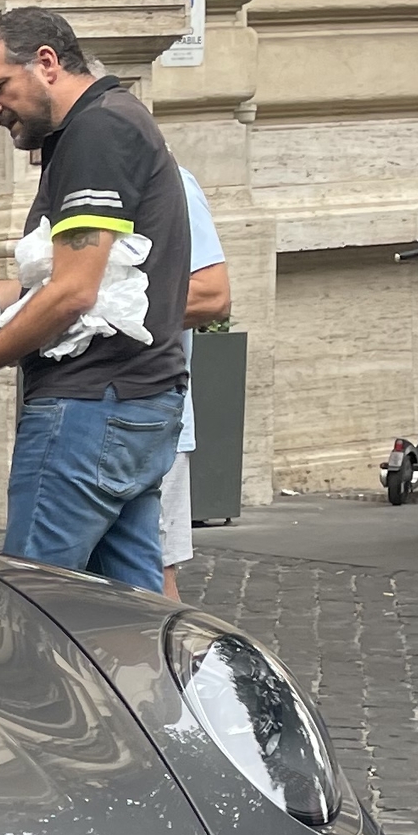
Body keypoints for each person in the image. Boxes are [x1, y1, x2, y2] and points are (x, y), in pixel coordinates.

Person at [0, 9, 188, 591]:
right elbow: (59, 284)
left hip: (90, 409)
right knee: (131, 611)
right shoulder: (113, 120)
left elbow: (71, 293)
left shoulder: (96, 132)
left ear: (45, 63)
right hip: (136, 404)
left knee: (35, 605)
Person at [160, 171, 233, 600]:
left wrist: (78, 301)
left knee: (152, 567)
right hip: (77, 412)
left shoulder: (170, 182)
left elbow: (211, 296)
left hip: (149, 417)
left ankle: (168, 667)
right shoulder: (69, 175)